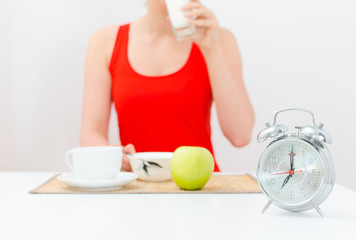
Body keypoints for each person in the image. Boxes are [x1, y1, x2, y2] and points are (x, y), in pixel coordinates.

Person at [80, 0, 255, 172]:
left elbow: (240, 135)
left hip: (201, 188)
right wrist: (117, 157)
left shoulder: (219, 39)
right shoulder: (106, 41)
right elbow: (91, 134)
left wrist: (212, 50)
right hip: (136, 187)